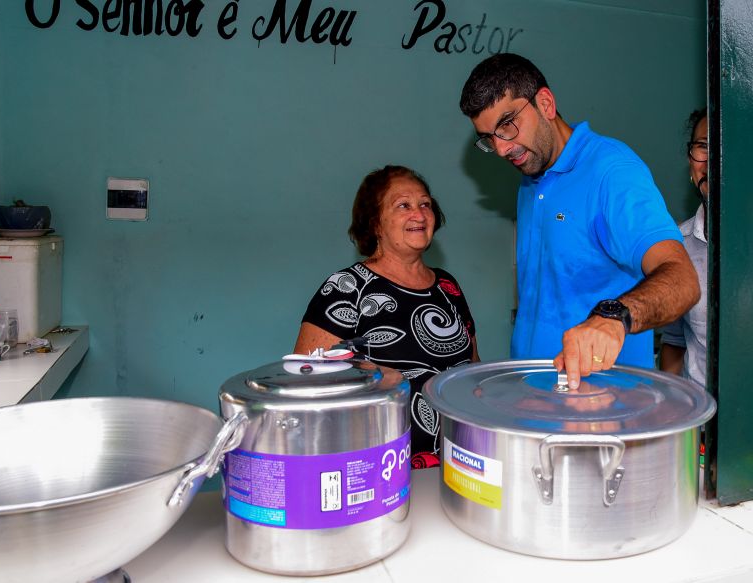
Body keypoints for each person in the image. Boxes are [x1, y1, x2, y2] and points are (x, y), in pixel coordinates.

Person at [459, 53, 699, 389]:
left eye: (507, 124)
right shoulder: (531, 177)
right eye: (488, 137)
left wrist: (615, 316)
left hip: (600, 413)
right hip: (534, 400)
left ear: (545, 103)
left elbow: (683, 279)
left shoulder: (611, 172)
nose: (500, 148)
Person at [294, 165, 479, 469]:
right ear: (375, 223)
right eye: (403, 205)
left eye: (425, 204)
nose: (419, 214)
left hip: (457, 461)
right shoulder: (346, 289)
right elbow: (304, 380)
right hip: (377, 467)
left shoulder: (448, 287)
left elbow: (470, 368)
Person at [660, 108, 709, 387]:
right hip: (704, 419)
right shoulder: (678, 245)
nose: (712, 160)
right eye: (702, 146)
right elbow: (675, 340)